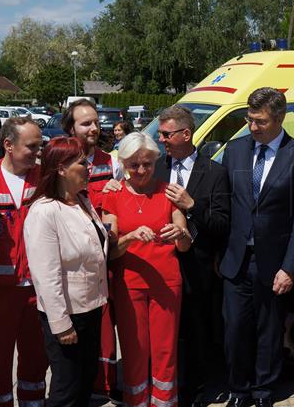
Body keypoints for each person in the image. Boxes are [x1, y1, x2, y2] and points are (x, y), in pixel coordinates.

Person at [220, 87, 294, 407]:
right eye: (250, 120)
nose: (253, 127)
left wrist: (290, 267)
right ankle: (239, 389)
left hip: (274, 264)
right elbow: (225, 204)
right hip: (237, 261)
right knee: (235, 330)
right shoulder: (234, 151)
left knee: (269, 332)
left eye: (260, 121)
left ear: (279, 118)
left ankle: (263, 392)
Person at [102, 132, 193, 407]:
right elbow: (111, 252)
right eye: (134, 165)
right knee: (134, 349)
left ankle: (165, 402)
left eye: (148, 164)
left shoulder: (168, 192)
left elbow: (185, 246)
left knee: (165, 349)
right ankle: (136, 401)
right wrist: (129, 238)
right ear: (124, 164)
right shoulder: (114, 195)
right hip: (130, 282)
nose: (141, 171)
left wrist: (180, 233)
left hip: (166, 282)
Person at [153, 106, 231, 407]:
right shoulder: (156, 168)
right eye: (160, 134)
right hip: (159, 264)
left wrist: (192, 204)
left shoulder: (215, 173)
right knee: (166, 333)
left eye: (166, 134)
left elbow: (222, 225)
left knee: (195, 332)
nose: (162, 140)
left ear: (186, 134)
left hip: (197, 269)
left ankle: (195, 392)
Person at [24, 137, 109, 407]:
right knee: (66, 391)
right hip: (67, 317)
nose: (89, 168)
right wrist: (61, 325)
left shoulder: (82, 202)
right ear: (61, 168)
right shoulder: (44, 212)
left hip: (91, 308)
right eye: (82, 163)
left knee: (85, 383)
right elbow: (45, 275)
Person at [0, 118, 48, 407]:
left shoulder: (45, 178)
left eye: (39, 145)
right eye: (31, 146)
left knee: (36, 362)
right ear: (8, 145)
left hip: (38, 290)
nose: (37, 152)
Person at [61, 98, 122, 400]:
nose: (95, 128)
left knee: (106, 323)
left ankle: (106, 385)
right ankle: (80, 386)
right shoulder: (57, 164)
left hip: (107, 257)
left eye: (96, 122)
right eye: (86, 123)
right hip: (73, 261)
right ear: (70, 128)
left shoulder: (112, 163)